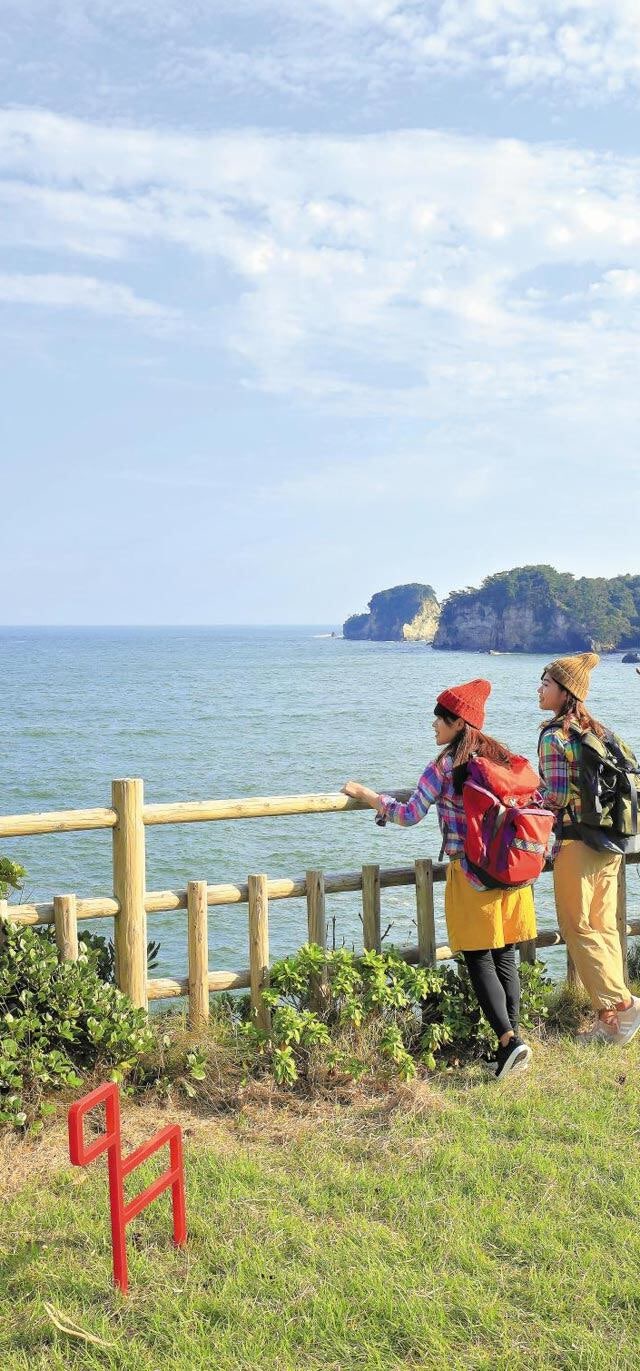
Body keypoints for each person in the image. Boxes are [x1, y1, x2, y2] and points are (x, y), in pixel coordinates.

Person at [342, 678, 536, 1079]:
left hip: (471, 872)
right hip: (510, 869)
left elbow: (410, 813)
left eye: (440, 718)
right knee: (504, 954)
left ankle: (508, 1041)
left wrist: (369, 796)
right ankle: (512, 1043)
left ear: (458, 722)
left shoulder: (444, 766)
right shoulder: (500, 756)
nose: (433, 724)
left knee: (478, 956)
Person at [537, 652, 640, 1045]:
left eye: (547, 683)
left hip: (576, 841)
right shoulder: (598, 731)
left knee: (577, 927)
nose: (540, 689)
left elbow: (557, 796)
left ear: (566, 691)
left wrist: (523, 797)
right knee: (603, 926)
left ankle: (624, 1003)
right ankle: (609, 1020)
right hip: (609, 841)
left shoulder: (554, 736)